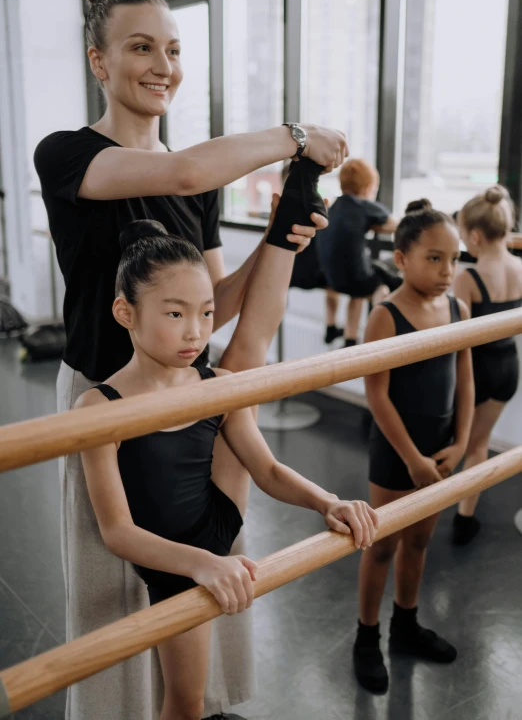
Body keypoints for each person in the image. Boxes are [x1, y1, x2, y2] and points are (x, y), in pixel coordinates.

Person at [33, 0, 348, 720]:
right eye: (140, 47)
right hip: (105, 397)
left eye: (172, 49)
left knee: (205, 561)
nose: (163, 66)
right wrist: (296, 136)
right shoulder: (67, 153)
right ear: (98, 61)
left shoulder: (196, 185)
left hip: (188, 393)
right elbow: (182, 166)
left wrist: (279, 240)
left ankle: (197, 703)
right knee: (115, 585)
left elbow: (213, 306)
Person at [75, 219, 378, 720]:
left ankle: (288, 222)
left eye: (207, 313)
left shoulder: (217, 383)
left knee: (243, 365)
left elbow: (267, 469)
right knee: (186, 701)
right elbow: (117, 532)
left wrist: (329, 501)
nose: (195, 331)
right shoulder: (98, 405)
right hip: (173, 561)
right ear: (125, 311)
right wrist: (200, 564)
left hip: (219, 516)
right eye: (175, 313)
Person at [352, 199, 474, 694]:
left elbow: (466, 378)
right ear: (401, 258)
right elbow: (376, 394)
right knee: (382, 546)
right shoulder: (386, 315)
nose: (447, 271)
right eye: (434, 258)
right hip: (398, 451)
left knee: (420, 541)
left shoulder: (458, 308)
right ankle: (367, 636)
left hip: (440, 449)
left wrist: (462, 440)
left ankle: (405, 624)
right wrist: (411, 460)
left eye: (454, 258)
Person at [452, 185, 522, 545]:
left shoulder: (468, 277)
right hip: (509, 367)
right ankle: (466, 517)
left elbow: (456, 337)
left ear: (475, 236)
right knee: (479, 443)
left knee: (457, 442)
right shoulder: (520, 268)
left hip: (475, 371)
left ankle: (429, 508)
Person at [317, 159, 399, 347]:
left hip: (330, 277)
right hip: (356, 278)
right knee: (379, 287)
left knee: (354, 291)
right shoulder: (363, 206)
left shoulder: (334, 206)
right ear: (368, 188)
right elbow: (395, 224)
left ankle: (345, 335)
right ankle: (379, 334)